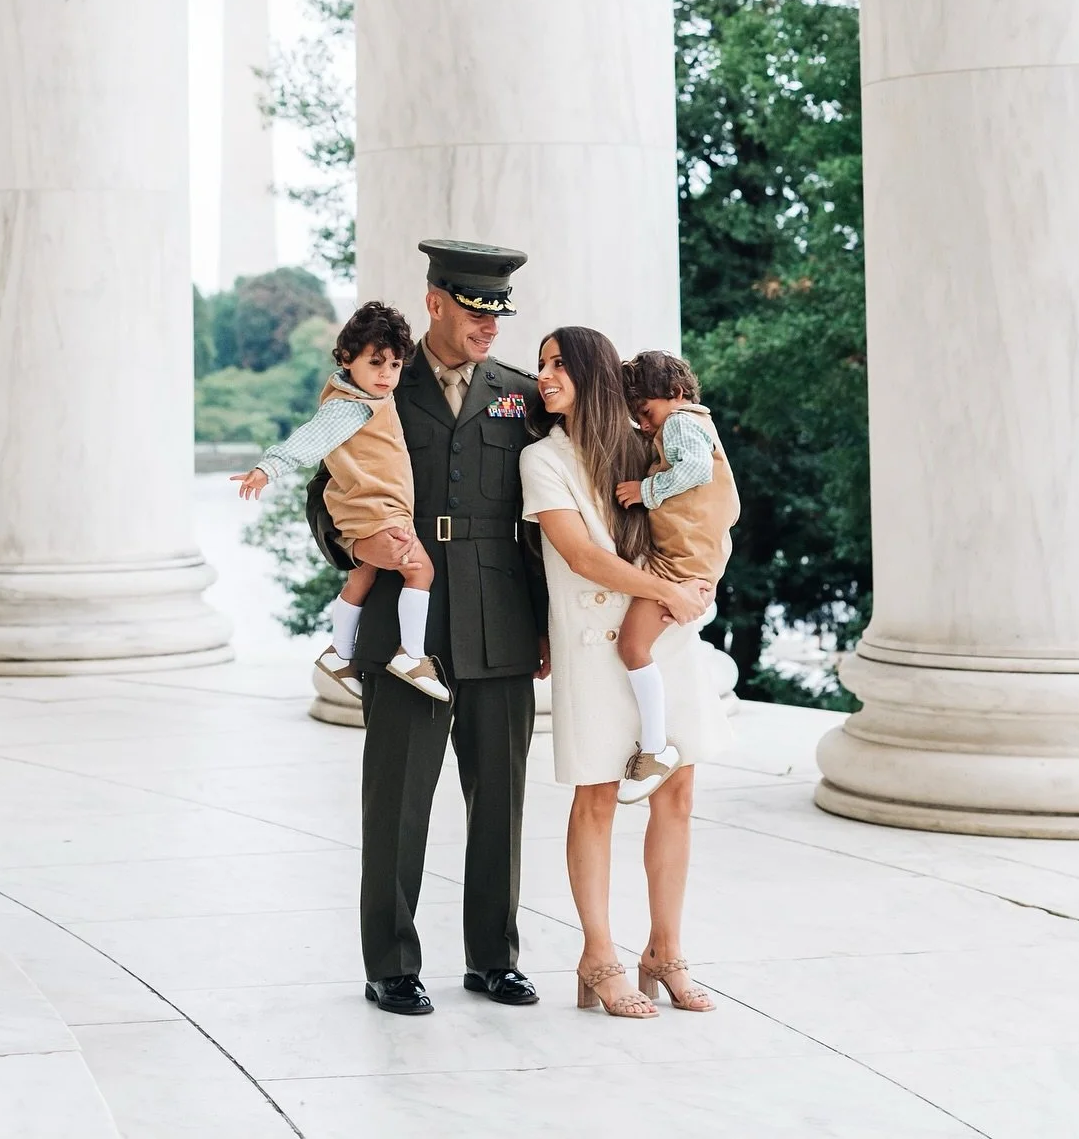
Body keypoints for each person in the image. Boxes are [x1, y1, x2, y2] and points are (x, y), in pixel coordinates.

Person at [306, 240, 547, 1017]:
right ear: (437, 300)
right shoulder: (375, 382)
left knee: (501, 800)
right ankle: (392, 964)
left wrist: (545, 622)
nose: (489, 327)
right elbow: (324, 491)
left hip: (501, 613)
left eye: (498, 314)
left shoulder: (519, 393)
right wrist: (358, 545)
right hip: (405, 618)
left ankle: (493, 958)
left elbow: (544, 515)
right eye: (476, 310)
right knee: (399, 800)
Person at [520, 326, 732, 1018]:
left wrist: (690, 583)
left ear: (593, 373)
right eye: (540, 364)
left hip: (660, 636)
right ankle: (598, 954)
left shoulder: (649, 443)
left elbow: (696, 512)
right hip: (596, 641)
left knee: (678, 790)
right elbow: (580, 555)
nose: (545, 374)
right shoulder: (541, 459)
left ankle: (664, 950)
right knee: (599, 798)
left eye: (558, 364)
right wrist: (670, 592)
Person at [233, 301, 449, 702]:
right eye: (376, 363)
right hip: (378, 510)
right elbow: (309, 439)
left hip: (365, 509)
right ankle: (412, 655)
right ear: (348, 360)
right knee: (421, 571)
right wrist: (269, 467)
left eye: (395, 365)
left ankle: (339, 653)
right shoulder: (350, 408)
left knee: (361, 576)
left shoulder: (365, 399)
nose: (386, 375)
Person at [612, 348, 740, 801]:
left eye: (645, 412)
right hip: (687, 558)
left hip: (680, 565)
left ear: (676, 393)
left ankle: (655, 747)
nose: (644, 425)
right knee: (640, 645)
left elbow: (694, 468)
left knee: (632, 645)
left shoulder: (683, 421)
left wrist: (645, 490)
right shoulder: (683, 422)